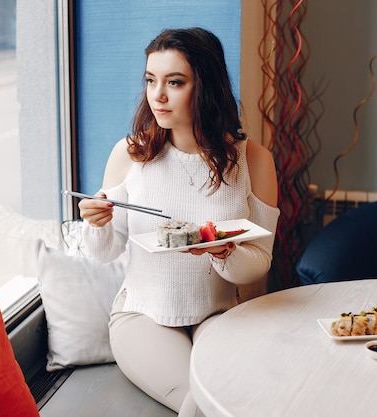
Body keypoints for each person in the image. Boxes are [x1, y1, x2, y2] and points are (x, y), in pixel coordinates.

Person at [79, 28, 280, 417]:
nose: (158, 95)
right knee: (203, 402)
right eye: (151, 81)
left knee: (229, 394)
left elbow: (260, 260)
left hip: (219, 315)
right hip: (142, 316)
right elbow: (104, 253)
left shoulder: (253, 161)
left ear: (206, 86)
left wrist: (225, 253)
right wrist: (98, 222)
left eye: (175, 82)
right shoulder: (131, 154)